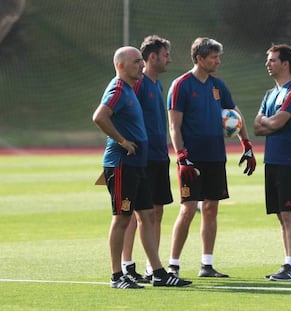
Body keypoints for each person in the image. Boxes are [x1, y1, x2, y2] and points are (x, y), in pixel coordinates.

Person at [92, 46, 192, 288]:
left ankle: (158, 273)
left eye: (140, 61)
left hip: (138, 165)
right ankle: (117, 276)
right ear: (121, 66)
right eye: (136, 62)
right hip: (122, 164)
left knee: (146, 215)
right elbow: (99, 116)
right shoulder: (117, 89)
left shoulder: (129, 89)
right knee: (122, 218)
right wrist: (123, 141)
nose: (140, 65)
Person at [167, 37, 256, 278]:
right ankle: (173, 265)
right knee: (187, 209)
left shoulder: (218, 85)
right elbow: (174, 126)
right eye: (214, 57)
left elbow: (235, 115)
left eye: (218, 57)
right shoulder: (181, 85)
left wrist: (246, 144)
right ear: (199, 59)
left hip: (216, 156)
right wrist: (182, 157)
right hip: (191, 159)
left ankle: (206, 264)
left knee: (211, 208)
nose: (218, 61)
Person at [121, 35, 173, 283]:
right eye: (165, 56)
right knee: (135, 212)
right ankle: (127, 265)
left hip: (159, 156)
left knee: (156, 212)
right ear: (152, 58)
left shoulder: (157, 85)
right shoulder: (139, 84)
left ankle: (154, 267)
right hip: (143, 157)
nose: (169, 60)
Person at [253, 44, 291, 281]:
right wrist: (270, 121)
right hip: (272, 160)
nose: (268, 64)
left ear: (285, 64)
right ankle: (287, 264)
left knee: (288, 213)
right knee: (279, 214)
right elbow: (257, 127)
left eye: (273, 60)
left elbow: (274, 124)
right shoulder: (270, 94)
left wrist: (269, 121)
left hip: (289, 161)